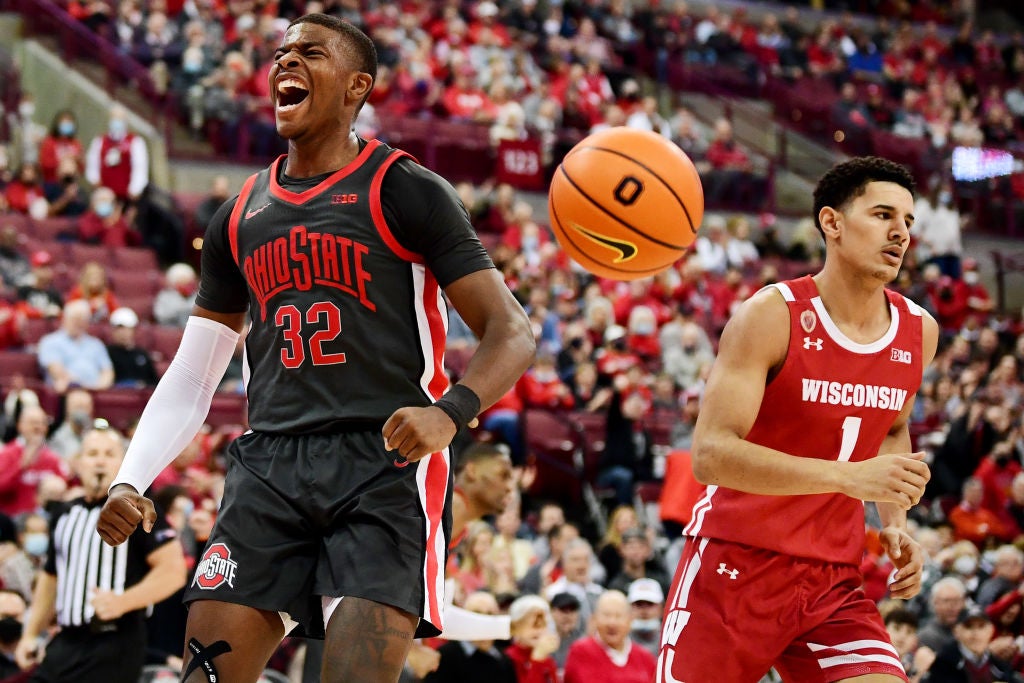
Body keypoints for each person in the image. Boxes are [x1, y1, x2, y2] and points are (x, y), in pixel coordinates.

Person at [96, 13, 535, 683]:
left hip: (383, 464)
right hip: (269, 463)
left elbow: (511, 329)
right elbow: (193, 374)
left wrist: (450, 412)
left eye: (309, 53)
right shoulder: (239, 214)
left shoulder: (406, 188)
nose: (285, 64)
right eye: (280, 54)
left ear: (358, 86)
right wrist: (131, 474)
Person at [658, 156, 939, 683]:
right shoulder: (772, 314)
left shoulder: (918, 331)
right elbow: (711, 454)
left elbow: (891, 429)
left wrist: (894, 526)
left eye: (908, 221)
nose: (900, 232)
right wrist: (847, 477)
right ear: (831, 223)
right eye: (883, 215)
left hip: (833, 579)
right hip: (736, 564)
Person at [14, 426, 186, 683]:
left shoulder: (136, 509)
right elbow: (51, 578)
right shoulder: (63, 513)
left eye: (109, 453)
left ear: (122, 463)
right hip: (66, 638)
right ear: (78, 463)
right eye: (92, 453)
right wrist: (30, 634)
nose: (100, 460)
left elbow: (173, 572)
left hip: (115, 641)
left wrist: (123, 601)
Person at [563, 590, 656, 683]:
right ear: (595, 619)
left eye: (618, 616)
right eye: (606, 615)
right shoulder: (580, 651)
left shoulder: (645, 658)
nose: (612, 623)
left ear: (630, 620)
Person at [923, 606, 1024, 682]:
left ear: (991, 630)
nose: (976, 633)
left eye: (981, 626)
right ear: (956, 631)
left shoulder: (1000, 666)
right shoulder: (942, 663)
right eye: (969, 626)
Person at [0, 406, 68, 517]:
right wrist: (21, 466)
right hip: (13, 520)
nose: (38, 427)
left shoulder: (53, 458)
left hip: (44, 521)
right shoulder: (7, 453)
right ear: (20, 426)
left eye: (42, 423)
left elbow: (65, 487)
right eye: (33, 423)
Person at [36, 300, 114, 393]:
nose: (78, 323)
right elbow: (57, 372)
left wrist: (98, 387)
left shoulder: (96, 344)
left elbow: (107, 372)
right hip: (69, 390)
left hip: (96, 390)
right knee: (77, 398)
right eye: (75, 319)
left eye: (82, 319)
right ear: (64, 319)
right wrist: (82, 387)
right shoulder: (50, 341)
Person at [105, 307, 159, 388]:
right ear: (113, 331)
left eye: (127, 329)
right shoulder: (106, 353)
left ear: (134, 330)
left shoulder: (142, 354)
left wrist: (143, 385)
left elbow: (154, 381)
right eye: (119, 329)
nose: (123, 333)